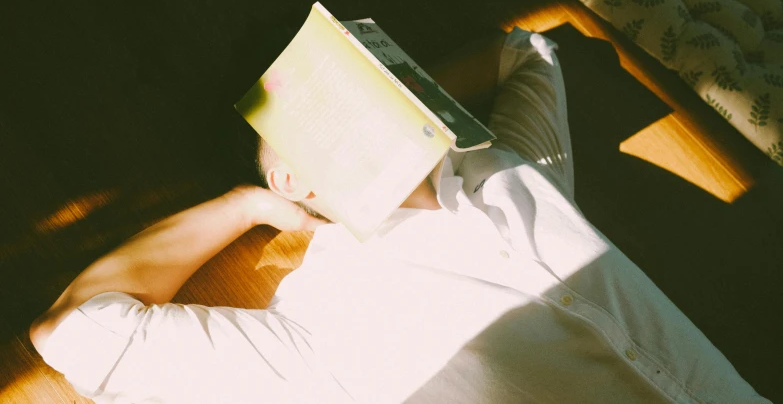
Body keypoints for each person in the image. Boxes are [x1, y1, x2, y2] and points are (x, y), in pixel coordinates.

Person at [29, 28, 770, 403]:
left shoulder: (510, 170)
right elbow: (76, 332)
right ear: (288, 171)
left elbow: (528, 51)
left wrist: (413, 108)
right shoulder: (326, 319)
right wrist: (247, 204)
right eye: (329, 107)